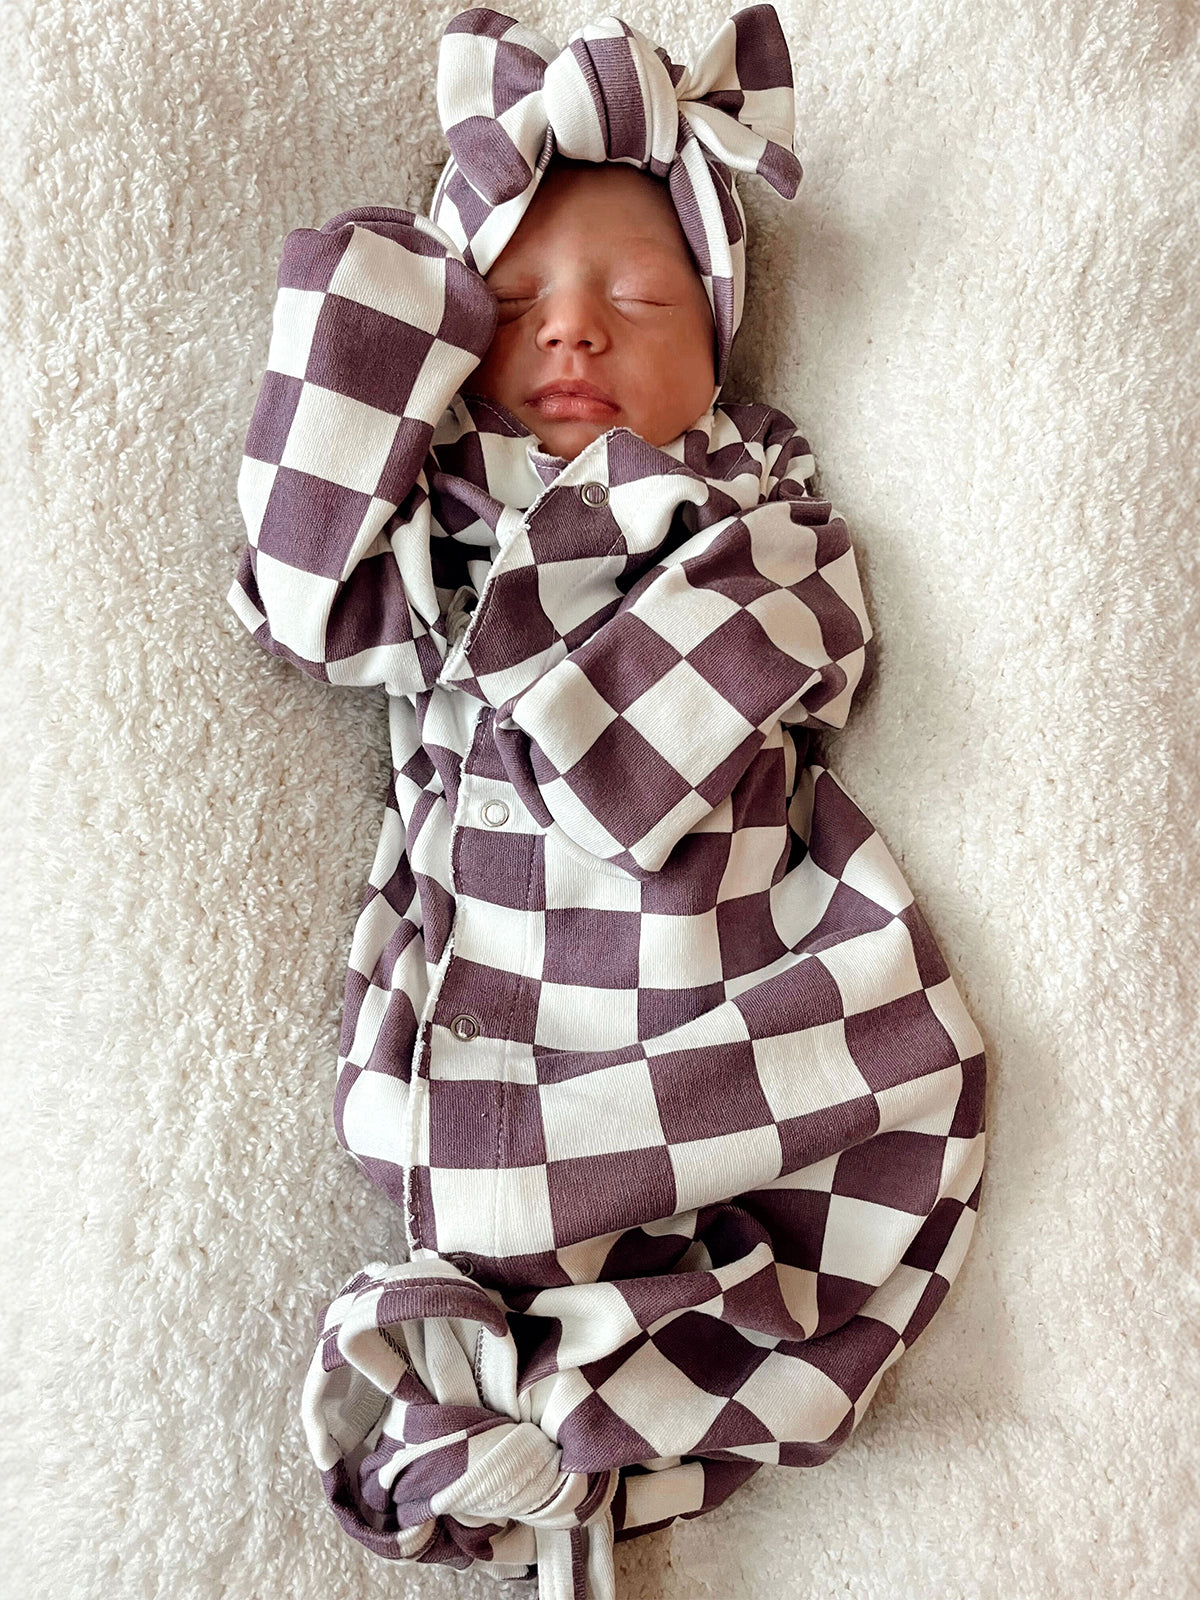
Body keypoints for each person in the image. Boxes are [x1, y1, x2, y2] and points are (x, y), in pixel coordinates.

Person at [225, 8, 987, 1598]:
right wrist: (377, 311)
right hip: (491, 968)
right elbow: (301, 603)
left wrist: (594, 721)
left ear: (715, 343)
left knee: (901, 1096)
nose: (572, 334)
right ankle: (562, 1420)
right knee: (452, 1156)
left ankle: (621, 1398)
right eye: (510, 307)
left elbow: (816, 619)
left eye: (636, 301)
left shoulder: (744, 488)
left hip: (728, 932)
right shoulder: (436, 522)